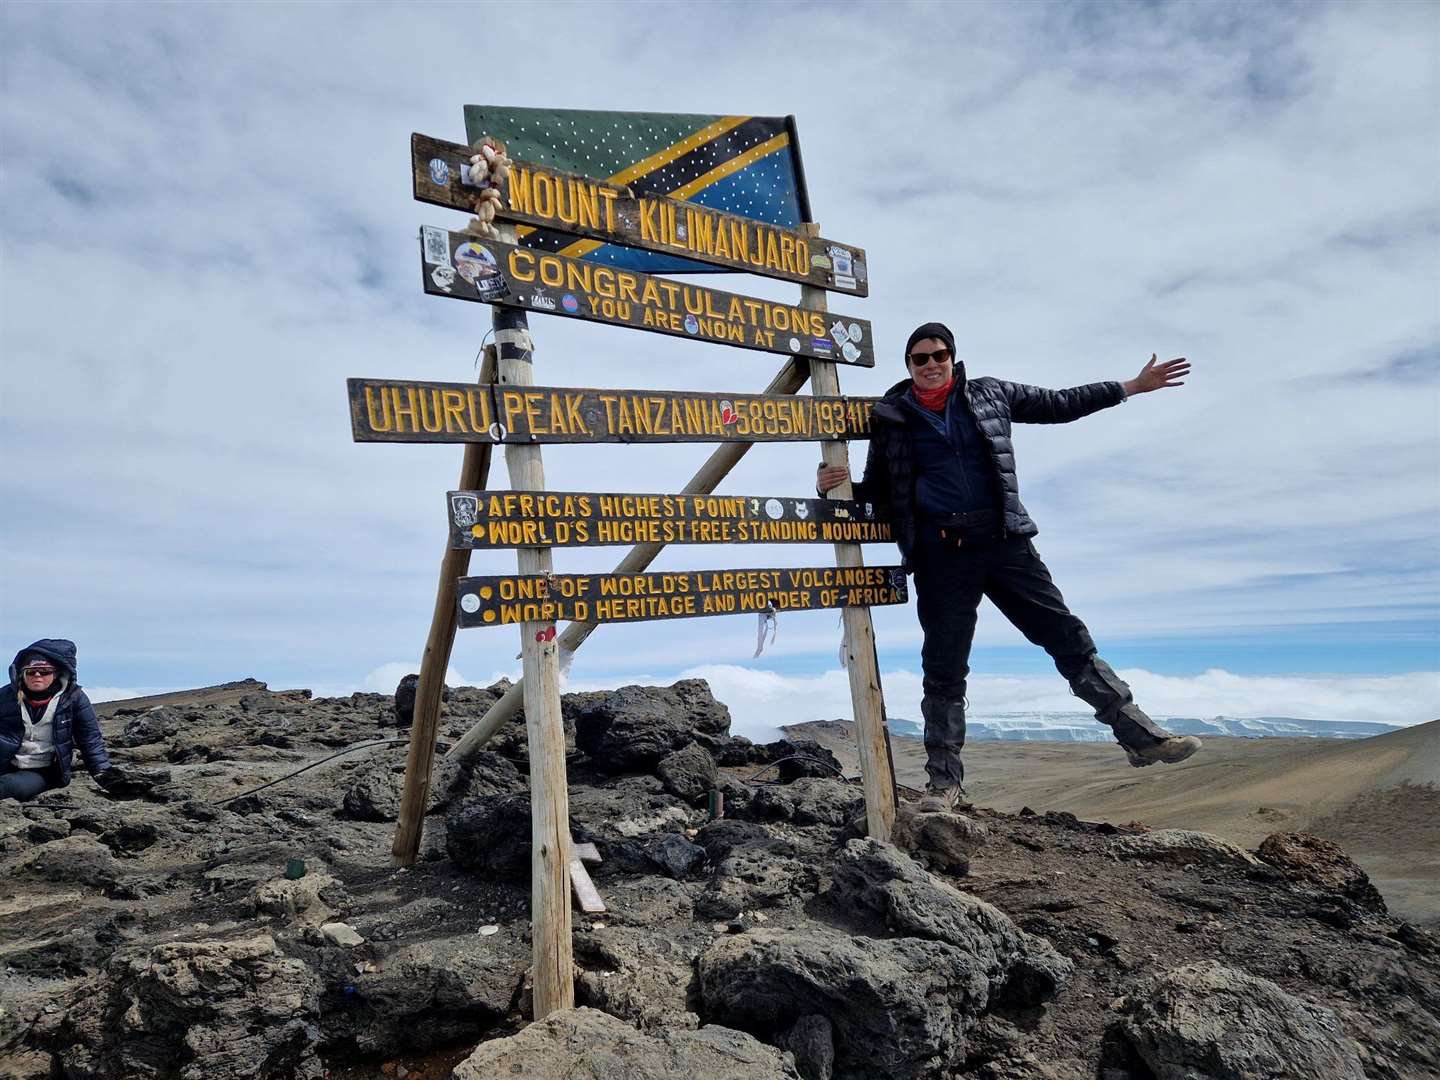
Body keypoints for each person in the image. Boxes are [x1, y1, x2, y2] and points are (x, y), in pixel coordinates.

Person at [817, 322, 1201, 811]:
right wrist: (833, 484)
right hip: (941, 556)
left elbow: (1060, 404)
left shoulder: (991, 394)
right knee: (944, 667)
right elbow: (879, 491)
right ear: (908, 366)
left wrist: (1128, 387)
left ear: (953, 358)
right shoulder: (892, 418)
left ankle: (1142, 737)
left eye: (939, 355)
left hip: (1006, 545)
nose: (931, 364)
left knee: (1066, 637)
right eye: (920, 358)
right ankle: (944, 785)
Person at [0, 639, 120, 801]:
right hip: (5, 765)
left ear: (56, 673)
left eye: (44, 671)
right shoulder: (5, 696)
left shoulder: (74, 699)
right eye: (30, 671)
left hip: (41, 772)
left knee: (6, 786)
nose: (37, 675)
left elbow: (90, 740)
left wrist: (105, 776)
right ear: (21, 673)